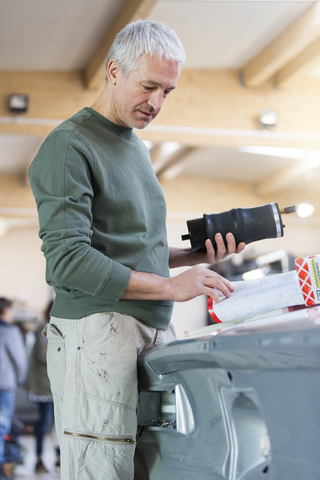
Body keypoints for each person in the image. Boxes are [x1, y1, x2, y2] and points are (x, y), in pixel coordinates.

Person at [28, 20, 245, 480]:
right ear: (112, 71)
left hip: (147, 332)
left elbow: (130, 248)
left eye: (168, 91)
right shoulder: (70, 145)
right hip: (98, 333)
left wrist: (192, 260)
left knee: (147, 469)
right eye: (149, 86)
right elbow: (68, 260)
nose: (157, 103)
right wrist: (170, 286)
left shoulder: (136, 149)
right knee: (102, 471)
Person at [27, 300, 60, 473]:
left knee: (58, 423)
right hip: (44, 387)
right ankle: (39, 459)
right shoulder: (44, 328)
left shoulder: (55, 327)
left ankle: (59, 458)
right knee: (45, 422)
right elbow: (44, 356)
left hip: (54, 387)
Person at [0, 298, 27, 480]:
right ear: (6, 310)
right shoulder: (9, 331)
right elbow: (20, 360)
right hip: (4, 387)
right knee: (2, 428)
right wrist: (20, 380)